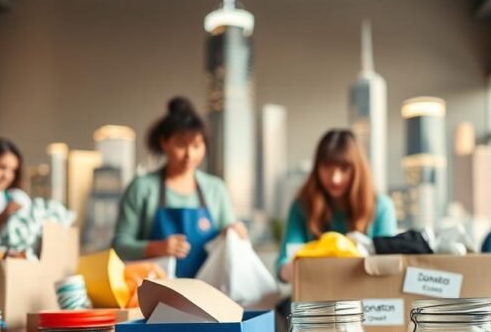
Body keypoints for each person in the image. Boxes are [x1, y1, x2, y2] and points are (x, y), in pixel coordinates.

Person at [112, 97, 246, 278]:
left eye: (197, 146)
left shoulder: (215, 189)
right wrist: (156, 248)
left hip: (210, 292)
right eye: (181, 145)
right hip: (155, 293)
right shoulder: (142, 188)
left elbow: (230, 242)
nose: (189, 154)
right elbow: (120, 246)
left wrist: (235, 232)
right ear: (164, 143)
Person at [277, 129, 397, 282]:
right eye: (327, 167)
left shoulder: (382, 207)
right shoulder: (302, 206)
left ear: (357, 170)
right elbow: (283, 264)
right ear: (317, 168)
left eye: (344, 169)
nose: (335, 179)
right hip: (314, 298)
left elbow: (389, 266)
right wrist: (292, 269)